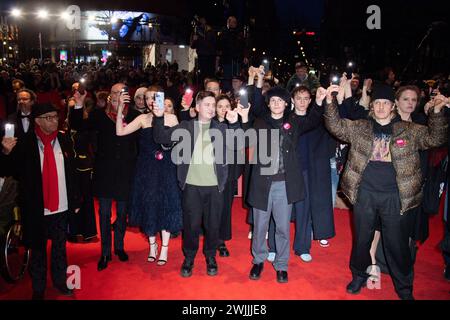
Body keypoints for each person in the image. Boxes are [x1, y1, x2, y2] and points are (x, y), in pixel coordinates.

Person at [324, 84, 448, 300]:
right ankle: (359, 276)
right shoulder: (360, 127)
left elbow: (435, 139)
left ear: (393, 106)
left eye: (386, 103)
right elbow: (335, 126)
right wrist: (329, 102)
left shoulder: (410, 130)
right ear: (373, 106)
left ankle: (404, 287)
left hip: (395, 196)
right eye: (378, 103)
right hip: (365, 193)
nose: (381, 107)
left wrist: (437, 113)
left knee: (396, 243)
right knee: (362, 239)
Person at [152, 91, 247, 277]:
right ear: (197, 107)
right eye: (207, 104)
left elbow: (239, 142)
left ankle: (211, 256)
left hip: (215, 187)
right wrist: (158, 117)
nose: (212, 108)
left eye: (214, 105)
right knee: (191, 225)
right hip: (191, 187)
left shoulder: (221, 128)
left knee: (213, 225)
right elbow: (161, 138)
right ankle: (189, 258)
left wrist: (235, 123)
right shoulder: (186, 127)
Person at [1, 103, 80, 300]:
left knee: (60, 249)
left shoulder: (63, 139)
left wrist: (75, 199)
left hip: (61, 206)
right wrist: (5, 152)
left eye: (56, 116)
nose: (55, 120)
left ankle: (61, 282)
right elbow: (7, 170)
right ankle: (38, 288)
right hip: (36, 209)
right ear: (37, 120)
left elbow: (72, 172)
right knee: (37, 251)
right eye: (49, 117)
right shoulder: (25, 144)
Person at [247, 86, 323, 283]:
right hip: (262, 182)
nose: (276, 104)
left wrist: (320, 102)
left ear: (286, 104)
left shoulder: (293, 122)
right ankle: (258, 260)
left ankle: (281, 264)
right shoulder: (260, 122)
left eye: (280, 101)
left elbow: (314, 120)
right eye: (273, 101)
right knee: (260, 227)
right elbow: (247, 127)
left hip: (284, 184)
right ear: (268, 103)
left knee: (282, 227)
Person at [69, 83, 140, 271]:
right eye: (115, 92)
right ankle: (105, 252)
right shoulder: (100, 115)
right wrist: (78, 105)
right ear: (110, 96)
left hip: (126, 171)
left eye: (122, 92)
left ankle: (119, 247)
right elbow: (78, 126)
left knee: (123, 213)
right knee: (105, 213)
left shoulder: (134, 115)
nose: (118, 96)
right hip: (104, 172)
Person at [116, 89, 182, 266]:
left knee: (165, 206)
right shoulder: (142, 119)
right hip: (146, 170)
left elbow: (176, 143)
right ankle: (152, 246)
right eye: (146, 98)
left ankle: (165, 248)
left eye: (153, 97)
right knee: (149, 206)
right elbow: (120, 132)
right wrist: (121, 109)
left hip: (167, 168)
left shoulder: (171, 118)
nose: (149, 100)